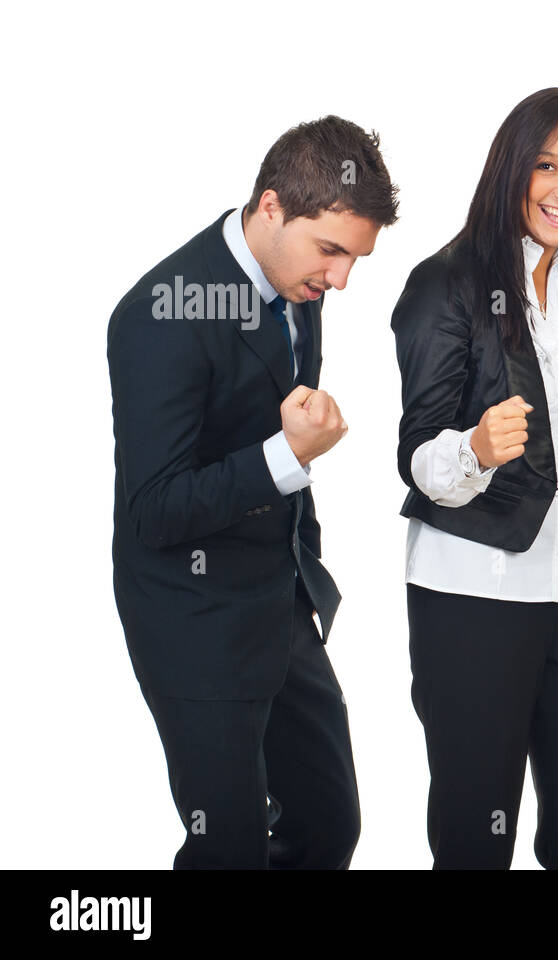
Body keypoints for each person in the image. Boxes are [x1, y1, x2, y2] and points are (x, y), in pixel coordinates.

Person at [108, 116, 399, 867]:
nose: (341, 279)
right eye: (331, 251)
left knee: (329, 825)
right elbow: (154, 509)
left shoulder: (298, 280)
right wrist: (283, 456)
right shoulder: (159, 315)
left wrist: (303, 570)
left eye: (355, 258)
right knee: (228, 850)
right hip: (193, 619)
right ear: (270, 207)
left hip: (279, 601)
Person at [391, 87, 558, 869]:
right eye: (547, 166)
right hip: (471, 599)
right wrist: (475, 445)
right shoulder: (444, 283)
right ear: (512, 167)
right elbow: (416, 455)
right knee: (476, 843)